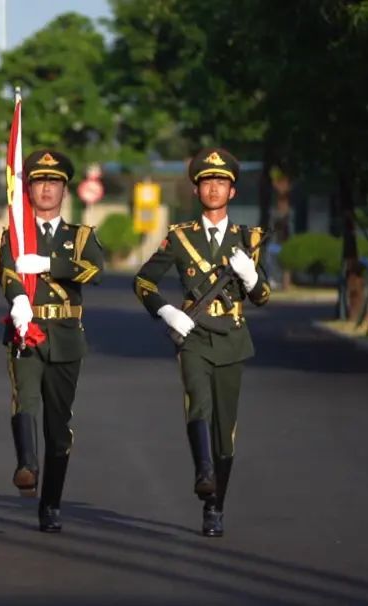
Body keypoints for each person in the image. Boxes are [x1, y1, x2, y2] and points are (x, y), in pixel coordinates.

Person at [132, 147, 270, 537]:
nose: (213, 188)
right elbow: (143, 282)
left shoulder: (249, 239)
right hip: (193, 335)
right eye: (207, 181)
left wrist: (251, 277)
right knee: (197, 402)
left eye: (221, 182)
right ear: (196, 190)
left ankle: (215, 506)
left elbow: (262, 297)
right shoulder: (180, 238)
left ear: (232, 191)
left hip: (233, 339)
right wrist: (165, 311)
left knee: (225, 432)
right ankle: (203, 473)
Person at [0, 149, 105, 532]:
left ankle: (51, 502)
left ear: (65, 190)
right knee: (24, 399)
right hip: (26, 328)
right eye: (39, 181)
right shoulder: (15, 234)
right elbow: (7, 273)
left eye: (54, 182)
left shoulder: (80, 236)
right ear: (28, 189)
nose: (46, 188)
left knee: (59, 426)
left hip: (65, 336)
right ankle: (27, 465)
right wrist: (18, 300)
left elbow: (94, 271)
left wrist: (49, 264)